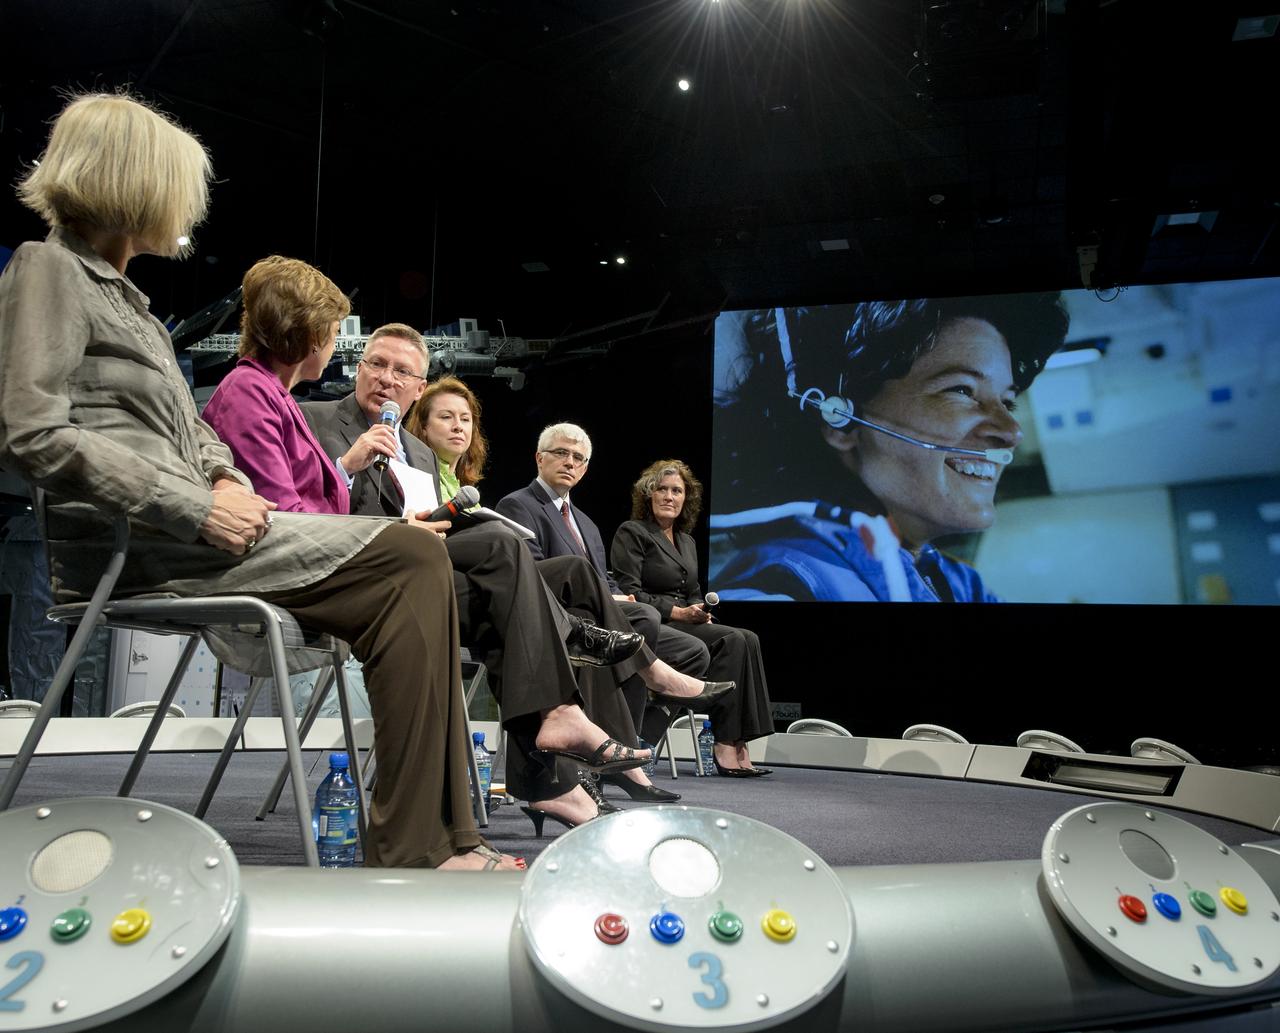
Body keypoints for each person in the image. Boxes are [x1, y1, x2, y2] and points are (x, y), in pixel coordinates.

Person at [0, 93, 582, 870]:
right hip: (150, 544)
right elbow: (30, 432)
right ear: (130, 179)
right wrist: (194, 501)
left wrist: (221, 477)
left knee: (423, 564)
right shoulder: (50, 271)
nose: (184, 206)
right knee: (414, 558)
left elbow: (192, 429)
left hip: (198, 526)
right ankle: (420, 844)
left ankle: (449, 836)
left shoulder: (131, 306)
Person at [201, 262, 651, 832]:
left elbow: (305, 505)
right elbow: (284, 520)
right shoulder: (268, 398)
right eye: (355, 349)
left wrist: (377, 499)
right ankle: (555, 724)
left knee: (502, 582)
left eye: (400, 370)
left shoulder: (361, 428)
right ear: (309, 336)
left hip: (369, 565)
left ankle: (545, 763)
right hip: (334, 574)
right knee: (498, 554)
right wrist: (385, 519)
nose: (375, 371)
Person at [710, 299, 1070, 601]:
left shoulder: (958, 584)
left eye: (1008, 402)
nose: (1012, 432)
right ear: (841, 421)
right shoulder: (778, 588)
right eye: (962, 390)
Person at [612, 460, 775, 777]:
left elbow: (693, 590)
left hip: (686, 621)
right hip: (654, 623)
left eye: (677, 491)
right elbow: (629, 592)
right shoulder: (632, 532)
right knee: (731, 641)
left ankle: (741, 741)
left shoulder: (686, 541)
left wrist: (700, 610)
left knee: (747, 638)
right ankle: (725, 743)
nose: (669, 496)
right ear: (648, 495)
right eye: (662, 489)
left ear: (687, 498)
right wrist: (679, 612)